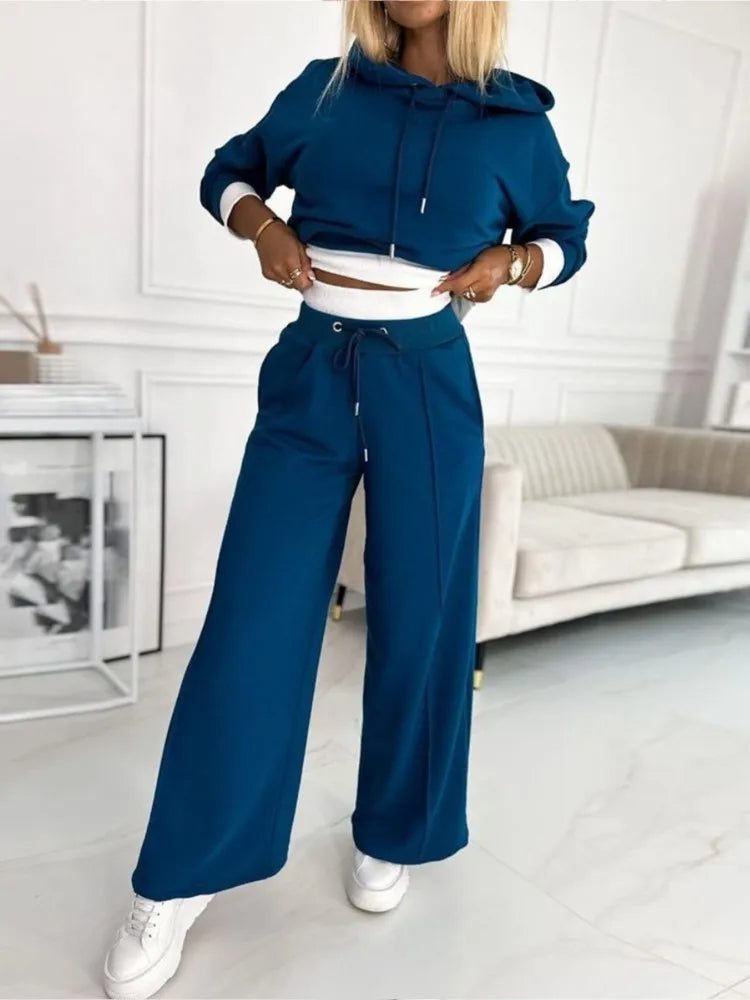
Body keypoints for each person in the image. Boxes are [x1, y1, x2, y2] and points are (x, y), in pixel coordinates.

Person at [102, 2, 595, 996]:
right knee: (253, 619)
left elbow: (563, 233)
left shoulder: (517, 122)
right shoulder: (324, 92)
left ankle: (394, 831)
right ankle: (181, 875)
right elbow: (228, 171)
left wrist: (513, 263)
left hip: (431, 377)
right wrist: (261, 224)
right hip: (312, 370)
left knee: (424, 615)